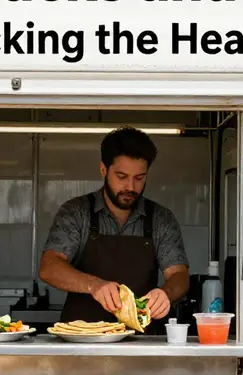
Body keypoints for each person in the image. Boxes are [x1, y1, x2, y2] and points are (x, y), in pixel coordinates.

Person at [38, 126, 190, 328]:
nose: (130, 187)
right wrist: (94, 285)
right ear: (103, 169)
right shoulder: (76, 212)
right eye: (121, 176)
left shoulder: (161, 219)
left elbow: (179, 275)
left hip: (141, 343)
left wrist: (166, 294)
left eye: (139, 178)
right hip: (83, 339)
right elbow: (49, 267)